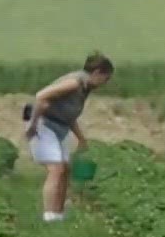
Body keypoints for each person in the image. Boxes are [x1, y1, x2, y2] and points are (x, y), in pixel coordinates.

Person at [23, 52, 113, 222]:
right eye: (105, 79)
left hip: (57, 125)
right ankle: (49, 216)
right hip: (42, 122)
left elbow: (69, 115)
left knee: (65, 168)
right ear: (97, 73)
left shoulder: (85, 88)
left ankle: (58, 213)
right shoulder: (74, 83)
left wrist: (81, 138)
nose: (105, 84)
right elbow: (41, 97)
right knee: (56, 168)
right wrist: (33, 126)